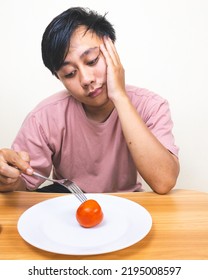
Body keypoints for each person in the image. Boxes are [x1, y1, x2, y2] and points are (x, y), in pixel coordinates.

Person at [0, 7, 179, 194]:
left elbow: (164, 182)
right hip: (70, 207)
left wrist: (120, 97)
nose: (86, 79)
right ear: (59, 78)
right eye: (70, 73)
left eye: (92, 61)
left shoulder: (151, 106)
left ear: (112, 51)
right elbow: (21, 189)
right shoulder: (44, 118)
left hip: (129, 205)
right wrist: (8, 180)